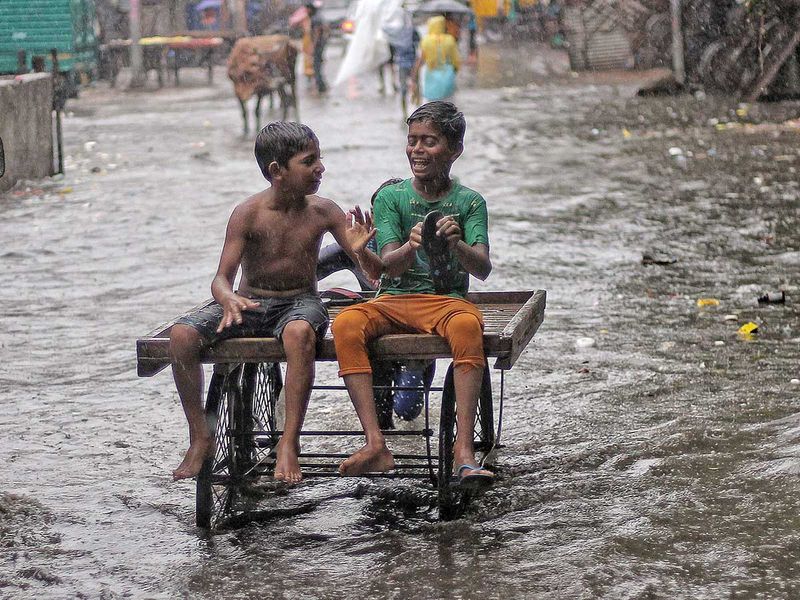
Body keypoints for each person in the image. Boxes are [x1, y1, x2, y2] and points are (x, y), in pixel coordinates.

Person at [169, 121, 375, 483]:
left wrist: (362, 251)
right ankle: (200, 435)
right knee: (181, 337)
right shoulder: (248, 213)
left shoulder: (324, 211)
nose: (320, 168)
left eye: (320, 159)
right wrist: (229, 298)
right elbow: (221, 279)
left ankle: (288, 443)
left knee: (298, 334)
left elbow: (369, 270)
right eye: (309, 162)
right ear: (276, 172)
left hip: (300, 302)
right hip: (249, 303)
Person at [331, 101, 495, 489]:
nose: (417, 150)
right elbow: (388, 264)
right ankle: (375, 443)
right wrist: (411, 244)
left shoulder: (471, 202)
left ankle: (463, 452)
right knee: (346, 323)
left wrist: (457, 245)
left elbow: (483, 268)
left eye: (429, 142)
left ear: (454, 150)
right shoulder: (392, 198)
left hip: (446, 302)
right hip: (392, 301)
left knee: (469, 326)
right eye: (412, 141)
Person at [316, 178, 435, 429]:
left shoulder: (421, 245)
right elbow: (308, 269)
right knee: (381, 418)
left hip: (414, 329)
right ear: (373, 216)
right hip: (376, 333)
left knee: (407, 411)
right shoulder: (358, 246)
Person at [410, 16, 460, 103]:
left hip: (431, 77)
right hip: (447, 76)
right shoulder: (450, 40)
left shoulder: (426, 41)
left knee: (432, 105)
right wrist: (454, 71)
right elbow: (456, 60)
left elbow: (420, 60)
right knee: (447, 106)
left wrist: (414, 76)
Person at [307, 2, 329, 94]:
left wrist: (313, 46)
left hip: (318, 46)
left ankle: (320, 85)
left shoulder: (315, 19)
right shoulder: (319, 17)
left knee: (316, 66)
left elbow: (317, 32)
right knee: (318, 65)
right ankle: (322, 84)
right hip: (321, 45)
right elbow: (326, 30)